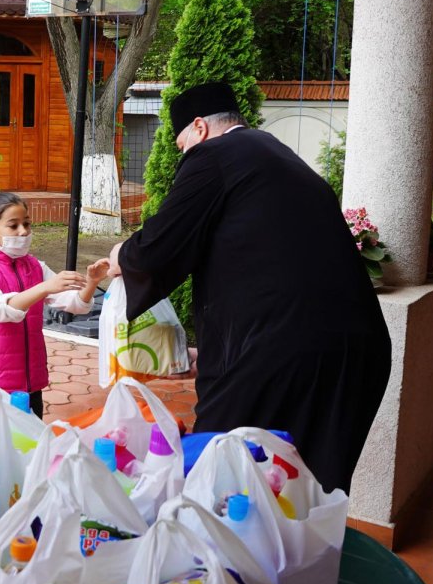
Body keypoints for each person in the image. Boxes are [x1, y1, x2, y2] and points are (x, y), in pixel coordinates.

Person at [109, 81, 390, 493]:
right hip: (358, 351)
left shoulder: (215, 155)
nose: (184, 153)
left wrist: (121, 257)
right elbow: (267, 265)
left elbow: (158, 249)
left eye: (181, 142)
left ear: (200, 128)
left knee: (221, 472)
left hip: (285, 353)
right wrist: (215, 351)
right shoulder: (277, 156)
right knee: (305, 491)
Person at [0, 192, 110, 418]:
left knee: (30, 443)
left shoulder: (34, 266)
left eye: (27, 224)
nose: (23, 231)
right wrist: (44, 288)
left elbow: (74, 303)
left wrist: (92, 282)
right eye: (13, 226)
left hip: (30, 379)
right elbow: (1, 310)